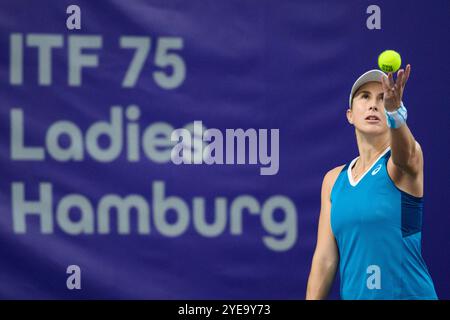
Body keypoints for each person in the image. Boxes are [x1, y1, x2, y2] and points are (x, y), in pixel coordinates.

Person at [306, 65, 437, 300]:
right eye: (365, 97)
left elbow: (405, 155)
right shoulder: (333, 180)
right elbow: (325, 259)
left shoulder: (404, 161)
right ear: (350, 115)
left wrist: (395, 112)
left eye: (382, 98)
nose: (374, 104)